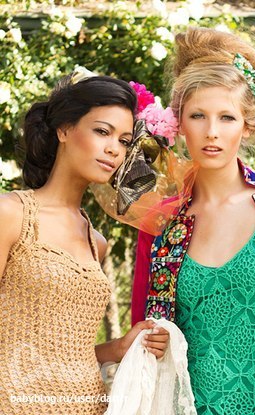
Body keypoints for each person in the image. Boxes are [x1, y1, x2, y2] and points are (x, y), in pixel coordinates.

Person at [130, 27, 255, 414]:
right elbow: (141, 339)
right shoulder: (162, 223)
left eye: (227, 117)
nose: (211, 132)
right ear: (178, 123)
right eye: (198, 116)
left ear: (247, 125)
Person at [0, 69, 169, 414]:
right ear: (63, 130)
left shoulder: (96, 242)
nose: (113, 149)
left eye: (124, 141)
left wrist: (119, 348)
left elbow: (66, 354)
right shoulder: (12, 214)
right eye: (102, 131)